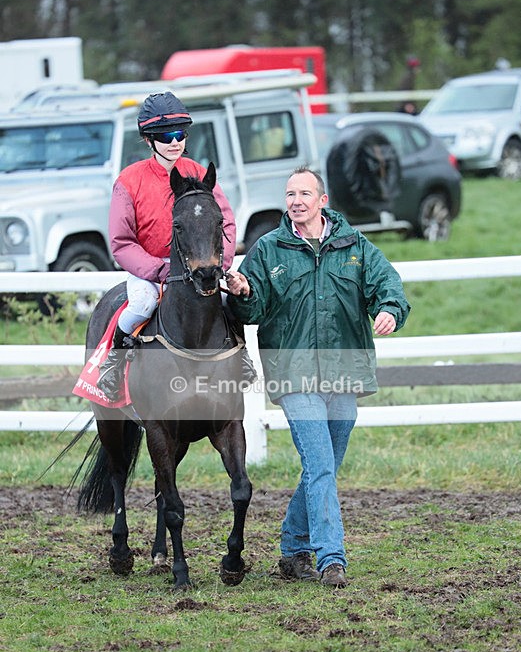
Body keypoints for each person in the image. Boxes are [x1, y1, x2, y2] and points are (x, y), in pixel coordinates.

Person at [226, 166, 410, 588]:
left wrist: (388, 310)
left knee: (324, 466)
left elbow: (389, 286)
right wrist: (243, 292)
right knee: (321, 464)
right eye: (290, 194)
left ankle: (292, 548)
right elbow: (252, 312)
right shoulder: (268, 249)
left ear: (322, 200)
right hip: (294, 374)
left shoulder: (354, 245)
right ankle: (331, 559)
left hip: (345, 373)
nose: (295, 200)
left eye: (304, 193)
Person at [96, 91, 237, 400]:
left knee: (229, 305)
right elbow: (121, 241)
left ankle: (242, 360)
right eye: (165, 136)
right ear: (149, 140)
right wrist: (160, 269)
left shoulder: (200, 173)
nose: (175, 142)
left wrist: (218, 263)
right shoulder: (129, 180)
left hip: (199, 266)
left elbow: (225, 221)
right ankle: (114, 364)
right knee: (142, 305)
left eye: (180, 134)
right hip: (149, 270)